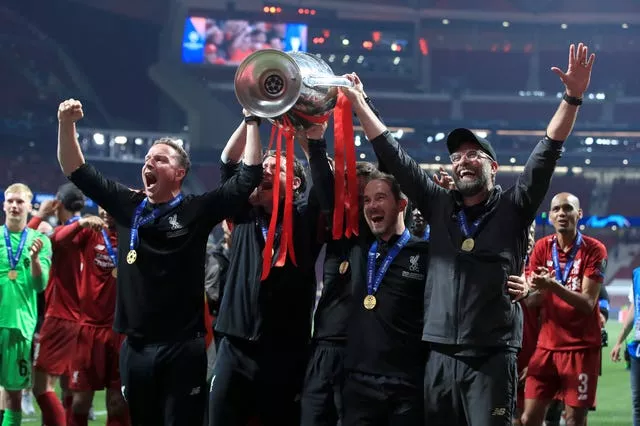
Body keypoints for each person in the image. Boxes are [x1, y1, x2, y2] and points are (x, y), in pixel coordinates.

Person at [340, 41, 595, 425]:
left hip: (491, 358)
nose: (462, 161)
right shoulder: (438, 205)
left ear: (493, 167)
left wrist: (572, 97)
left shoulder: (515, 206)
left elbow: (548, 150)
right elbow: (394, 156)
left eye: (473, 154)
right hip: (438, 355)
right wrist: (359, 102)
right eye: (456, 156)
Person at [57, 99, 263, 426]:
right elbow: (76, 170)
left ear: (179, 173)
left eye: (160, 158)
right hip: (135, 348)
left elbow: (248, 176)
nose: (149, 162)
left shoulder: (196, 210)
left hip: (183, 348)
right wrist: (65, 124)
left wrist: (252, 122)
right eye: (147, 158)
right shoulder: (128, 204)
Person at [209, 117, 332, 426]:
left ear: (294, 183)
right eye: (262, 166)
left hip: (285, 351)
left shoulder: (305, 219)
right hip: (234, 345)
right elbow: (229, 161)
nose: (263, 169)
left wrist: (315, 140)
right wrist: (251, 118)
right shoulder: (243, 212)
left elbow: (324, 187)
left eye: (274, 167)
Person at [341, 172, 428, 425]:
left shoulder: (424, 253)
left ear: (402, 204)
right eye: (367, 200)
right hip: (358, 382)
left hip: (407, 386)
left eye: (380, 198)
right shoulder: (359, 248)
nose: (372, 206)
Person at [300, 161, 377, 426]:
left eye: (363, 197)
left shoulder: (379, 237)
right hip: (323, 345)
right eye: (351, 194)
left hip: (361, 350)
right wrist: (315, 147)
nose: (357, 203)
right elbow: (323, 190)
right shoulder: (336, 234)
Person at [521, 193, 607, 426]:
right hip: (547, 347)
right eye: (556, 209)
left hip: (581, 348)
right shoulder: (541, 247)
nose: (562, 213)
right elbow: (531, 301)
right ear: (550, 217)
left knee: (573, 420)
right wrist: (533, 289)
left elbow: (588, 304)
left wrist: (552, 286)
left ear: (579, 215)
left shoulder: (595, 250)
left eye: (568, 209)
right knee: (528, 418)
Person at [53, 207, 130, 426]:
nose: (106, 211)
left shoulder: (131, 235)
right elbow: (56, 241)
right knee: (79, 403)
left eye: (110, 205)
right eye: (101, 207)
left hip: (120, 331)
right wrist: (80, 224)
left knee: (118, 403)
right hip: (88, 329)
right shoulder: (89, 233)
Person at [29, 185, 86, 426]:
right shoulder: (87, 232)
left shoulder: (61, 236)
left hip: (59, 316)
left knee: (41, 387)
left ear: (58, 203)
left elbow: (26, 240)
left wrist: (40, 215)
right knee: (67, 386)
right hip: (80, 320)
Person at [0, 183, 52, 426]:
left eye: (19, 202)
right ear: (3, 205)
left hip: (20, 327)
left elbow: (40, 284)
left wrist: (33, 259)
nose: (14, 205)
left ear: (29, 208)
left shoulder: (40, 241)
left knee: (13, 396)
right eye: (10, 201)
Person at [611, 266, 640, 426]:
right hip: (637, 350)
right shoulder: (637, 274)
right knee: (637, 404)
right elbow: (635, 308)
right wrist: (619, 341)